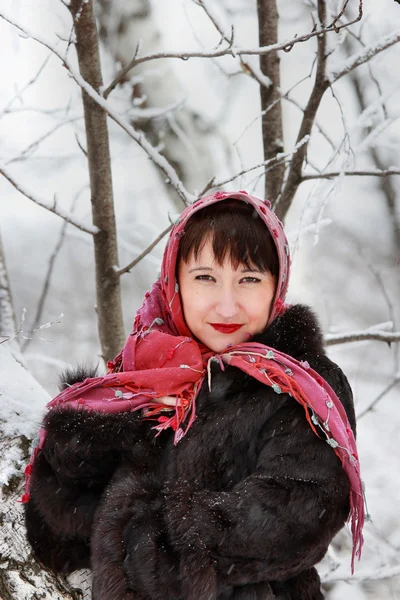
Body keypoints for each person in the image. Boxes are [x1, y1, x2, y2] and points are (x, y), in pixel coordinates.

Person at [24, 191, 364, 600]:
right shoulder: (141, 377)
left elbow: (294, 518)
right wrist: (96, 443)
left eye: (250, 279)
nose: (226, 305)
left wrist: (144, 539)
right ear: (175, 282)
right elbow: (57, 535)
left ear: (277, 285)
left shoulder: (301, 385)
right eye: (205, 277)